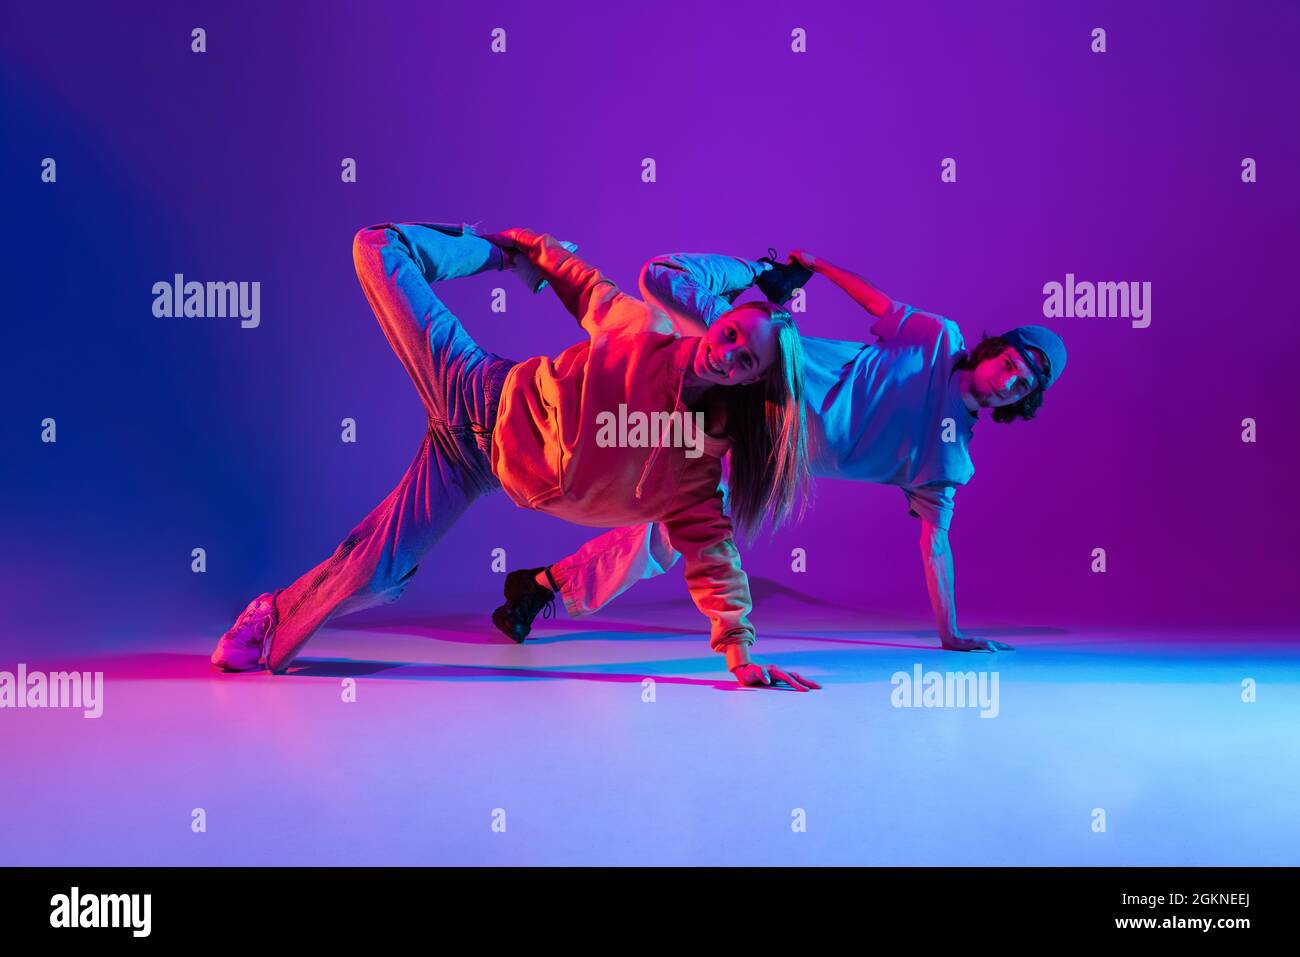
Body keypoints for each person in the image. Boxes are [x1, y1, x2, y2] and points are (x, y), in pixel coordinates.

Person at [209, 222, 820, 689]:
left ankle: (271, 612)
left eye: (746, 362)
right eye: (734, 334)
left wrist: (740, 653)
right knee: (377, 249)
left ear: (750, 384)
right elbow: (586, 287)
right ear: (723, 317)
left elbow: (712, 552)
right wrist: (521, 253)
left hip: (472, 465)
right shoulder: (646, 332)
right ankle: (479, 244)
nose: (729, 353)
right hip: (476, 387)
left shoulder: (693, 460)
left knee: (372, 575)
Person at [494, 248, 1067, 653]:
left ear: (1023, 401)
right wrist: (815, 266)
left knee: (671, 531)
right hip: (767, 366)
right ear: (995, 351)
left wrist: (951, 633)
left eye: (1022, 385)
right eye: (1010, 363)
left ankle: (541, 586)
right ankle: (547, 295)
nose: (1008, 379)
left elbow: (935, 544)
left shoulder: (949, 463)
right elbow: (880, 306)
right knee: (660, 283)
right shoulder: (939, 338)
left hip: (763, 445)